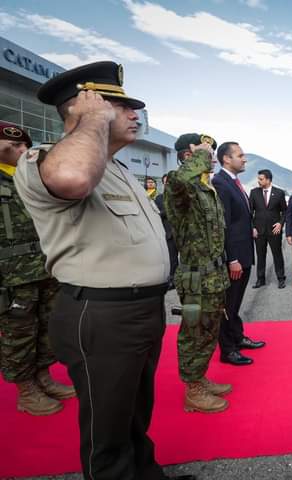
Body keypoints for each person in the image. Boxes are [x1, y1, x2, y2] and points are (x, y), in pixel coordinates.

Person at [15, 62, 194, 479]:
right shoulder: (46, 161)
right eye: (118, 104)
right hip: (101, 315)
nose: (135, 114)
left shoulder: (117, 169)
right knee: (107, 431)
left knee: (133, 414)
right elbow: (74, 178)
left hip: (140, 312)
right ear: (83, 108)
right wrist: (91, 119)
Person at [0, 121, 75, 416]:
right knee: (19, 332)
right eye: (12, 146)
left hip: (44, 267)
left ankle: (43, 376)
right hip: (11, 275)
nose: (20, 150)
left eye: (22, 145)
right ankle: (26, 390)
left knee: (48, 328)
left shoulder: (31, 178)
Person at [165, 133, 232, 414]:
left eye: (213, 151)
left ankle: (200, 377)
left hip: (213, 276)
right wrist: (200, 156)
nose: (212, 156)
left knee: (209, 331)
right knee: (194, 332)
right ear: (187, 155)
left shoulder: (206, 188)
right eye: (206, 151)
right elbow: (181, 180)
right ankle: (192, 390)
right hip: (195, 279)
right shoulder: (180, 186)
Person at [212, 142, 265, 367]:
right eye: (240, 155)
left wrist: (249, 227)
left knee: (235, 303)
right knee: (228, 305)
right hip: (235, 257)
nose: (244, 159)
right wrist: (231, 259)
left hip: (244, 252)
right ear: (226, 159)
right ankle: (228, 349)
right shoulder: (221, 183)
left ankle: (237, 337)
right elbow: (223, 225)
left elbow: (238, 217)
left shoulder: (234, 181)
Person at [249, 169, 287, 289]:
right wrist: (253, 227)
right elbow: (250, 212)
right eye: (258, 179)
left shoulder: (279, 193)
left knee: (277, 254)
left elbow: (285, 211)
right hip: (259, 231)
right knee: (260, 255)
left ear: (268, 180)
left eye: (261, 179)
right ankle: (260, 279)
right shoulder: (254, 192)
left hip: (274, 230)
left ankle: (281, 279)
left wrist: (280, 224)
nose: (258, 181)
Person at [154, 174, 179, 285]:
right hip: (169, 233)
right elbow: (158, 214)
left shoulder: (179, 196)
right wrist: (170, 210)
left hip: (182, 232)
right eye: (166, 182)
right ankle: (173, 280)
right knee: (172, 258)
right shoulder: (159, 198)